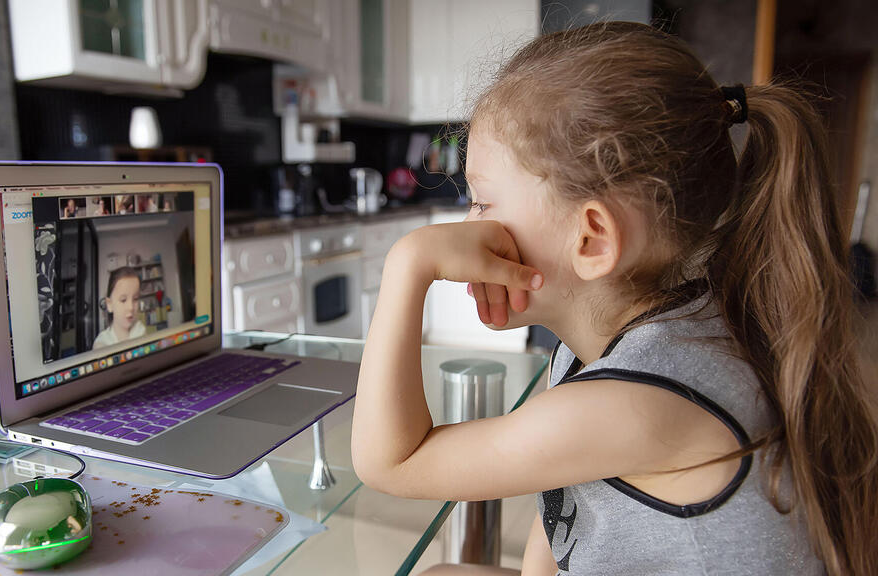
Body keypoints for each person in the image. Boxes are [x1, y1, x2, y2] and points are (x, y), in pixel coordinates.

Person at [350, 23, 877, 576]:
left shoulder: (630, 404)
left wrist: (407, 266)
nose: (467, 225)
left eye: (482, 202)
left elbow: (392, 463)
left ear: (591, 239)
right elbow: (564, 514)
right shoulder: (653, 328)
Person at [93, 266, 146, 349]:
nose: (131, 307)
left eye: (135, 299)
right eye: (123, 300)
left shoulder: (140, 330)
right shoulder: (102, 344)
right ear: (110, 305)